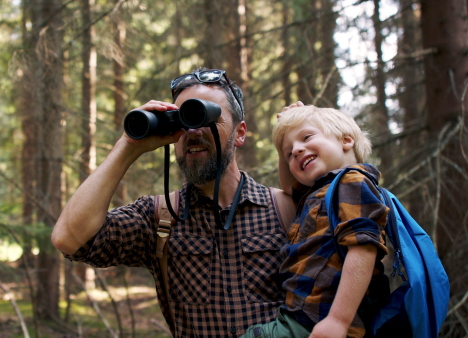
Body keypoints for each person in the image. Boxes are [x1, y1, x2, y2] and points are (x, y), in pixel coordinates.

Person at [51, 68, 292, 337]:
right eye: (183, 120)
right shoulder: (160, 218)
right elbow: (69, 239)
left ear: (240, 133)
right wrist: (129, 145)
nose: (193, 130)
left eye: (205, 115)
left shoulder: (287, 209)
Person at [241, 104, 389, 338]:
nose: (297, 150)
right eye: (290, 153)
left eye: (307, 137)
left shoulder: (352, 181)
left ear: (346, 140)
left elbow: (363, 248)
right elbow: (288, 186)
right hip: (301, 315)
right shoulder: (319, 192)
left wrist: (338, 321)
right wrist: (284, 136)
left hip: (322, 320)